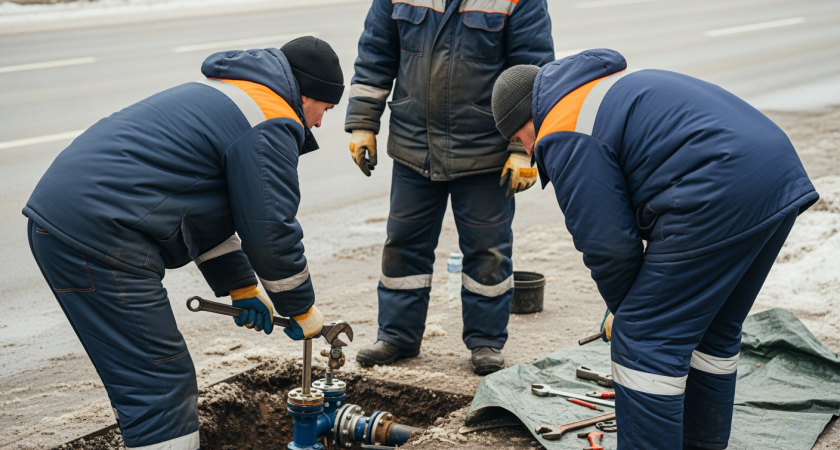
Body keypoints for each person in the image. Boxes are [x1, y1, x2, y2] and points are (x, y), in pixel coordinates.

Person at [23, 37, 344, 450]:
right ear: (306, 95)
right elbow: (271, 229)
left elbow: (201, 212)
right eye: (325, 110)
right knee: (159, 384)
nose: (318, 124)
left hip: (69, 222)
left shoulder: (234, 92)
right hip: (98, 234)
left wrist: (241, 286)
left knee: (142, 376)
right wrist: (299, 306)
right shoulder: (272, 117)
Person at [491, 49, 819, 449]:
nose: (526, 150)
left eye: (518, 139)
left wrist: (625, 310)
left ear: (526, 120)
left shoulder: (562, 128)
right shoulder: (596, 89)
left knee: (644, 343)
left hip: (717, 189)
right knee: (711, 333)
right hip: (775, 175)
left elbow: (608, 245)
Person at [345, 0, 554, 375]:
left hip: (485, 152)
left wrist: (522, 149)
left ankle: (486, 340)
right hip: (414, 144)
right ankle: (396, 335)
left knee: (488, 250)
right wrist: (363, 121)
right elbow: (375, 52)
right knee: (403, 244)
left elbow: (532, 73)